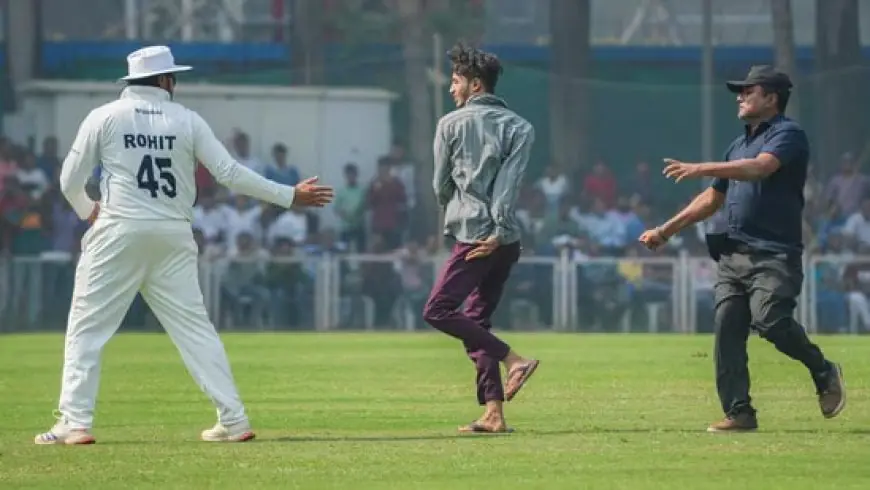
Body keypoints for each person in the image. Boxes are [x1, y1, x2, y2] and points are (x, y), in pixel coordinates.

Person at [35, 45, 334, 445]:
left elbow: (69, 179)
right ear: (165, 81)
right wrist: (288, 195)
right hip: (175, 234)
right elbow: (228, 173)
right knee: (195, 330)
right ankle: (233, 419)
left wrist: (89, 211)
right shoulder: (187, 120)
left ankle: (74, 422)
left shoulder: (104, 116)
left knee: (87, 329)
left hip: (119, 229)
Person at [638, 65, 845, 432]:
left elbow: (760, 168)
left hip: (775, 253)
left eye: (749, 91)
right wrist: (665, 230)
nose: (741, 96)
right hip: (734, 254)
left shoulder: (788, 135)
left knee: (771, 320)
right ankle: (740, 412)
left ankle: (823, 369)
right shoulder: (738, 144)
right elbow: (713, 198)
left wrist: (701, 166)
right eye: (741, 91)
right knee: (727, 328)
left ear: (772, 97)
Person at [422, 42, 539, 434]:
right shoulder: (522, 127)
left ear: (474, 84)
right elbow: (510, 184)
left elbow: (440, 185)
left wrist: (467, 217)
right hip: (506, 240)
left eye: (455, 81)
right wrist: (502, 228)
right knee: (476, 321)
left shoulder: (449, 124)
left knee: (437, 310)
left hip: (474, 235)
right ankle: (493, 413)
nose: (451, 89)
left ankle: (514, 359)